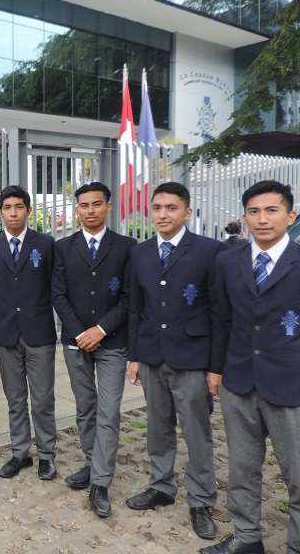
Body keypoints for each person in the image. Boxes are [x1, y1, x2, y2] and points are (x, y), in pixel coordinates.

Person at [201, 181, 300, 554]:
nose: (262, 219)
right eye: (254, 211)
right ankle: (247, 537)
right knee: (242, 469)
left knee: (298, 476)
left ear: (290, 216)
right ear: (244, 216)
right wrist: (216, 368)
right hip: (238, 380)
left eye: (272, 210)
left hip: (291, 382)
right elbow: (220, 318)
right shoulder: (229, 260)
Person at [125, 181, 221, 541]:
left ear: (187, 212)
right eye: (157, 208)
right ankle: (162, 486)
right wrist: (134, 357)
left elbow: (217, 311)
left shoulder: (209, 251)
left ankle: (200, 500)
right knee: (157, 426)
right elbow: (136, 307)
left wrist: (215, 366)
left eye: (171, 208)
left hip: (193, 358)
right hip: (151, 355)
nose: (163, 215)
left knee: (197, 431)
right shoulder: (140, 252)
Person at [51, 182, 136, 518]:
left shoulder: (128, 247)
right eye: (83, 205)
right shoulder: (63, 247)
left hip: (113, 342)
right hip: (75, 342)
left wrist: (100, 330)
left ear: (108, 207)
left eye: (96, 204)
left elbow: (129, 297)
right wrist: (79, 332)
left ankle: (100, 483)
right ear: (76, 210)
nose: (90, 210)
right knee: (85, 407)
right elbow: (58, 295)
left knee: (108, 410)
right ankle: (90, 462)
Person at [0, 185, 58, 481]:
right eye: (7, 207)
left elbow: (53, 284)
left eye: (19, 207)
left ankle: (47, 456)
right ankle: (21, 453)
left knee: (41, 400)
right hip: (5, 334)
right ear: (0, 212)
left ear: (28, 210)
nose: (13, 213)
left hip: (39, 332)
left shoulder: (46, 244)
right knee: (15, 399)